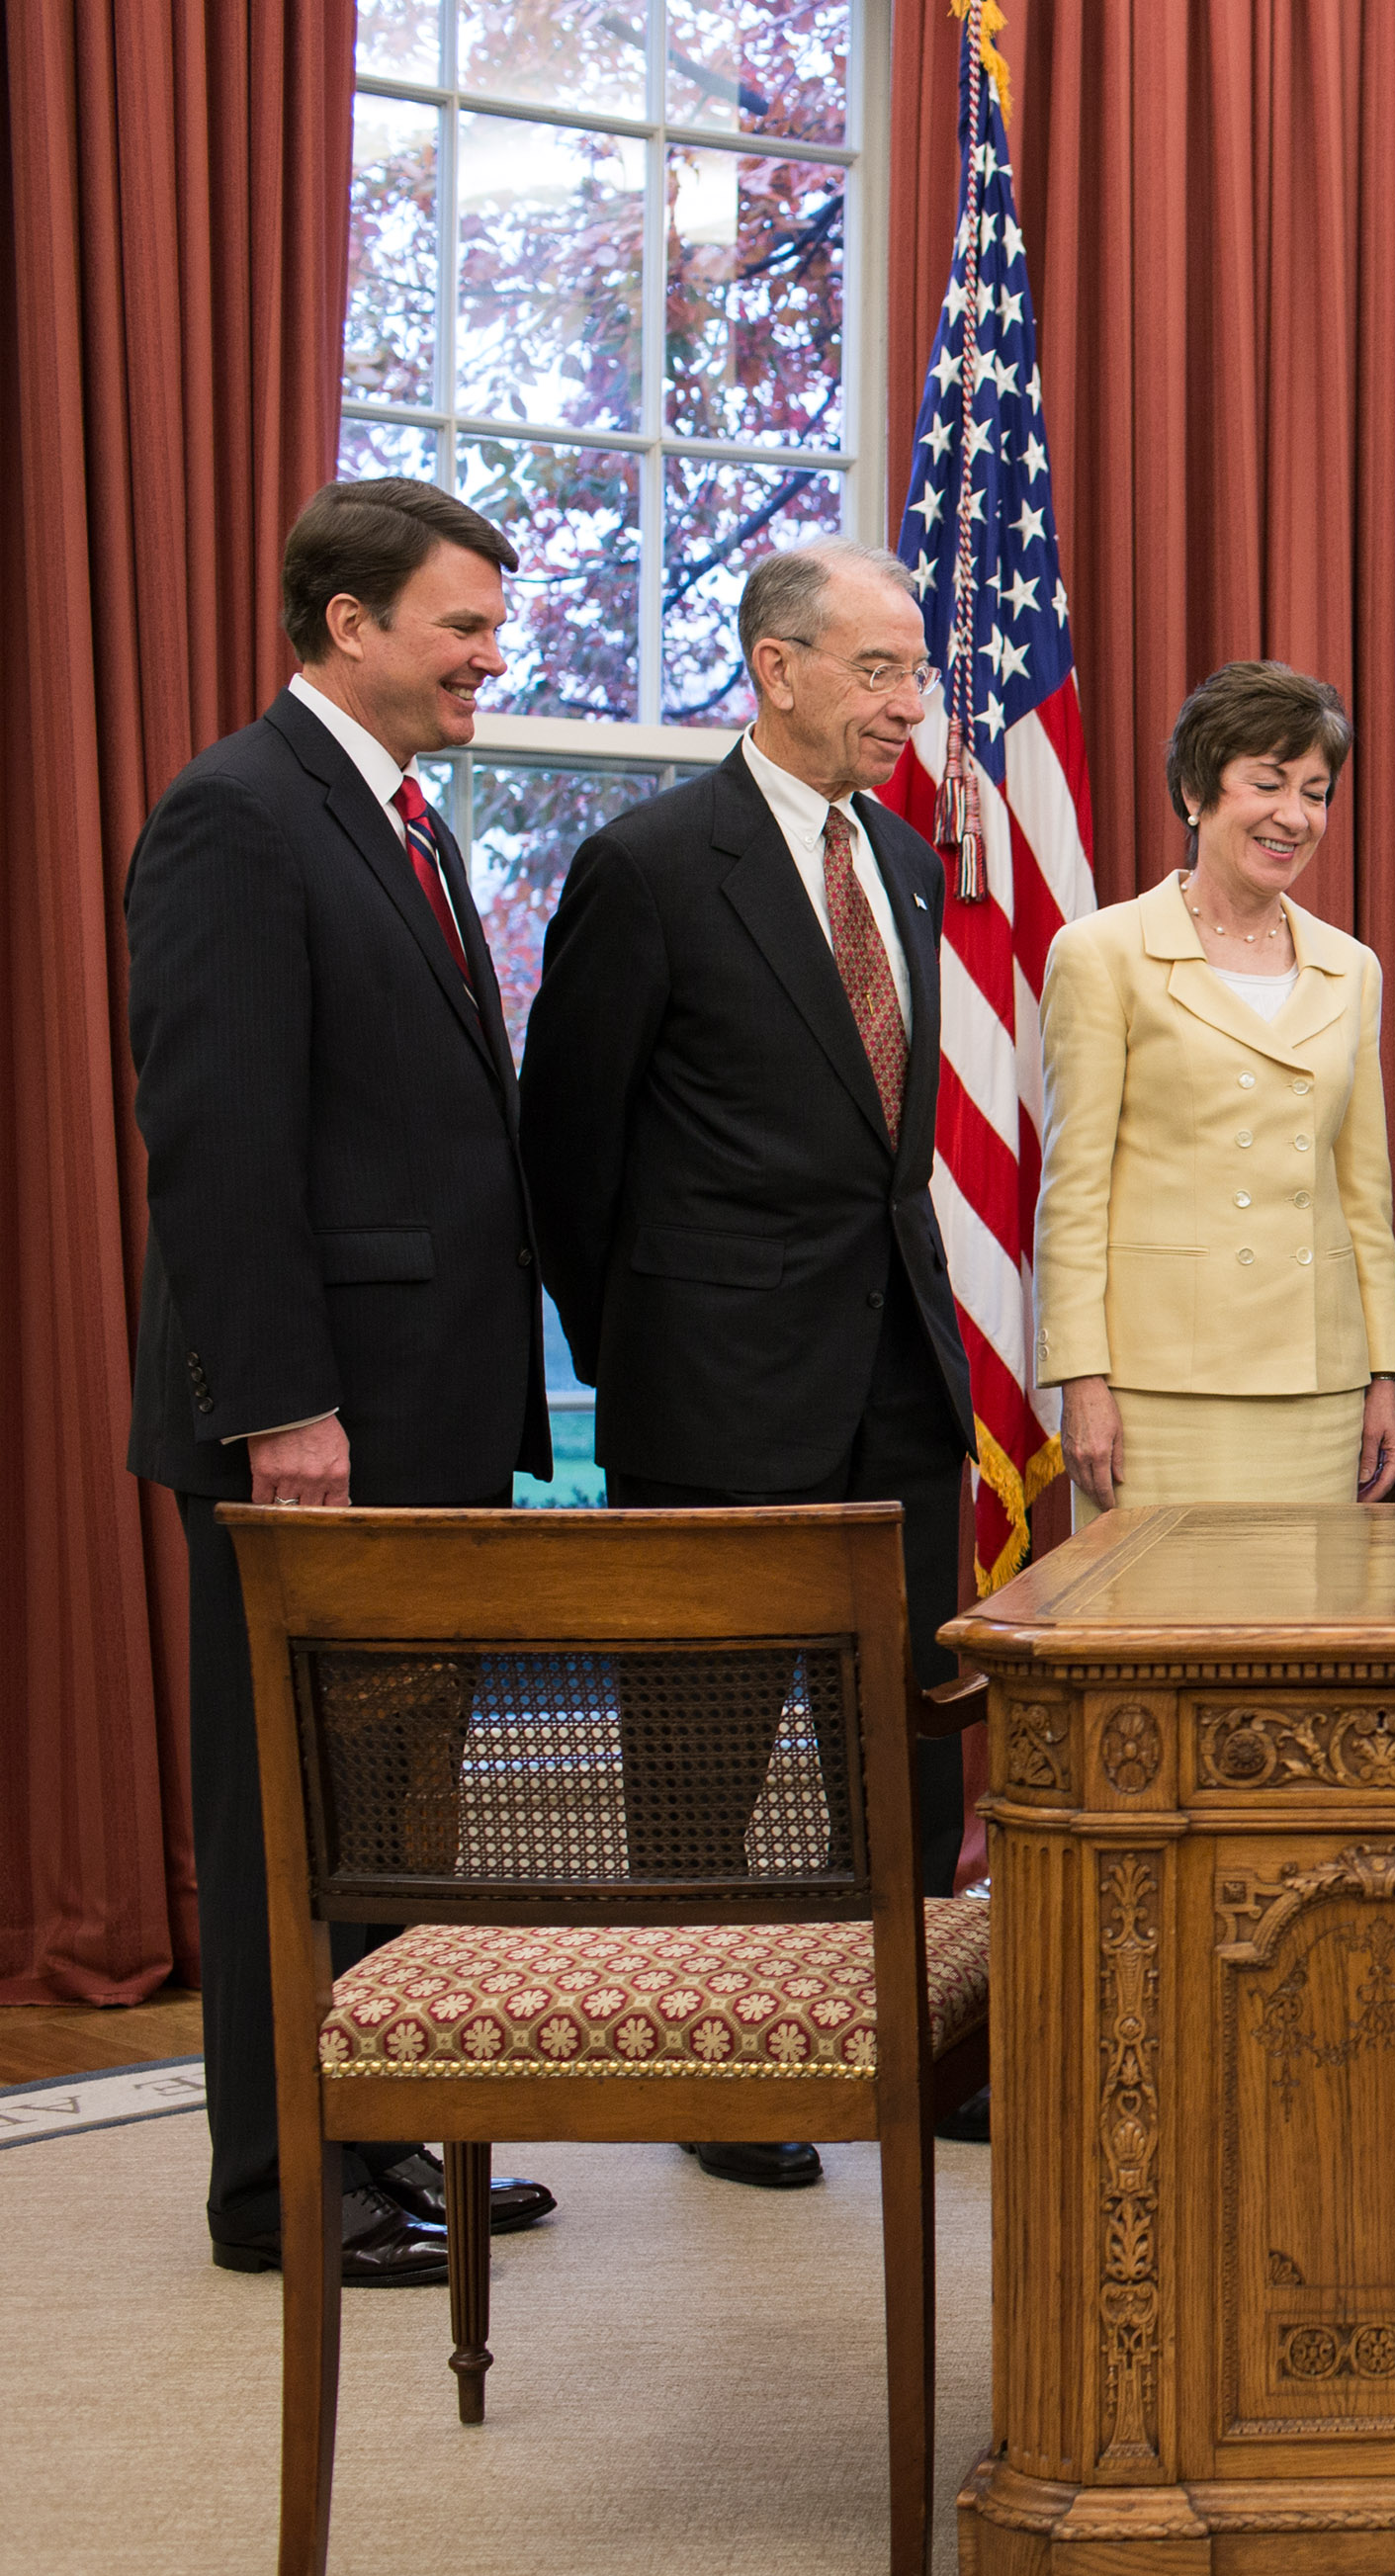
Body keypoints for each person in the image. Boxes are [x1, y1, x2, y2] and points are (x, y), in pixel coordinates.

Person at [127, 477, 558, 2282]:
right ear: (345, 624)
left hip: (426, 1415)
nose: (489, 654)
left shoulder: (406, 821)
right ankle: (281, 2193)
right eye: (461, 624)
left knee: (396, 1806)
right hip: (313, 1426)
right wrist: (281, 1410)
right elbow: (219, 1148)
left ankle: (385, 2142)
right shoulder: (238, 815)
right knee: (287, 1807)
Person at [523, 540, 974, 2190]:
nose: (904, 703)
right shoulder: (649, 865)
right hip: (713, 1390)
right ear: (776, 667)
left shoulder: (910, 871)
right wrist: (643, 1343)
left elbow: (893, 1142)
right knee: (705, 1753)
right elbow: (565, 1147)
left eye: (913, 673)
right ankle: (723, 2078)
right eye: (876, 671)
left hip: (897, 1380)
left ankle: (922, 2028)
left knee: (914, 1728)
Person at [1036, 660, 1395, 1514]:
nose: (1294, 815)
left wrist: (1383, 1374)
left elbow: (1363, 1194)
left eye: (1316, 792)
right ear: (1196, 792)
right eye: (1268, 783)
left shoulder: (1352, 967)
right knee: (1156, 1641)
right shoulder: (1103, 952)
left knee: (1304, 1640)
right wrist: (1080, 1379)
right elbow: (1074, 1190)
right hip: (1155, 1391)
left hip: (1319, 1389)